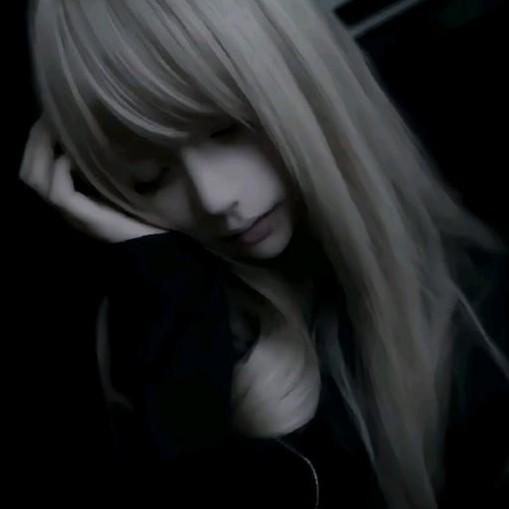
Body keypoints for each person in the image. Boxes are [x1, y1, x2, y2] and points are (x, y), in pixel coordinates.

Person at [19, 1, 509, 508]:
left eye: (225, 127)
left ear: (299, 78)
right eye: (150, 178)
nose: (214, 197)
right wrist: (170, 297)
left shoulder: (483, 312)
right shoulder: (157, 337)